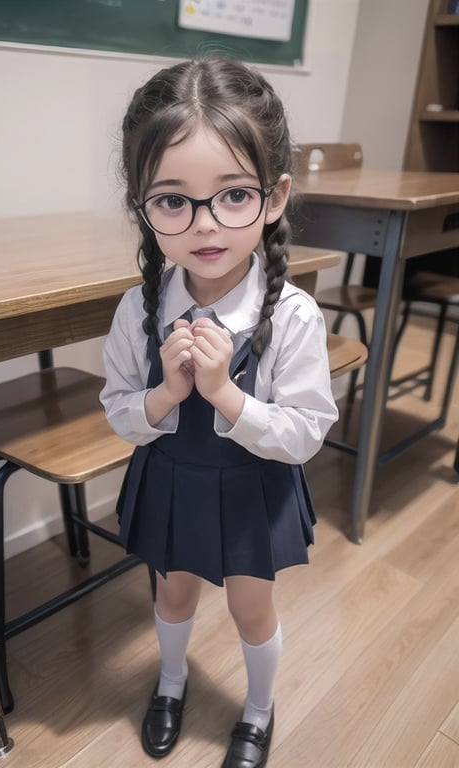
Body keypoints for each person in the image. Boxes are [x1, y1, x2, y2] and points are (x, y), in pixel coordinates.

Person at [100, 55, 338, 768]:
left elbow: (305, 433)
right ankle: (170, 684)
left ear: (274, 197)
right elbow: (118, 411)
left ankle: (258, 711)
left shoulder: (292, 315)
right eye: (172, 200)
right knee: (171, 596)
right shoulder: (138, 309)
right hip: (173, 476)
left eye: (232, 194)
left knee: (248, 608)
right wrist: (167, 395)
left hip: (251, 486)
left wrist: (227, 397)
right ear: (141, 205)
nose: (203, 224)